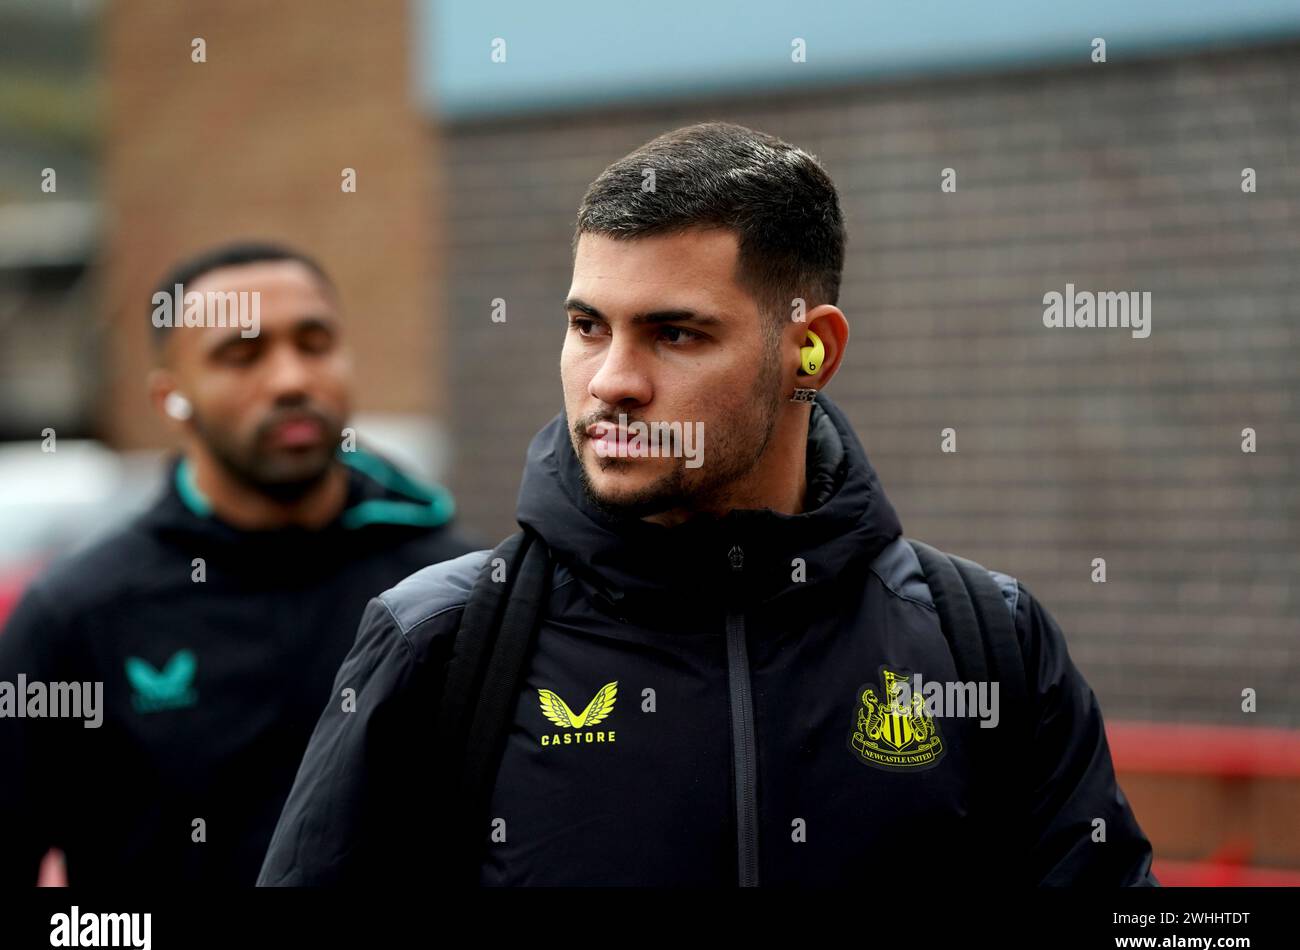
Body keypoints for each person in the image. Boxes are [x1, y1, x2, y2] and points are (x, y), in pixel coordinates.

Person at [258, 124, 1158, 886]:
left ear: (809, 353)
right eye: (587, 327)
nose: (611, 382)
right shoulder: (443, 642)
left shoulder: (986, 638)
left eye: (674, 333)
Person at [0, 241, 478, 884]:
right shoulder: (78, 615)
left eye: (314, 343)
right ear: (170, 396)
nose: (291, 380)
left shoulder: (446, 591)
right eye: (242, 354)